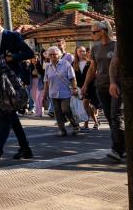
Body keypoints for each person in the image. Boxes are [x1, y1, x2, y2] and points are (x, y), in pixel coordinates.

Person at [0, 11, 33, 165]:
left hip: (11, 81)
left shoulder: (13, 36)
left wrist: (13, 57)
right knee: (11, 117)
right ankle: (25, 148)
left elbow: (29, 53)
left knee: (6, 114)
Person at [82, 20, 124, 162]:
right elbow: (92, 68)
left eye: (94, 32)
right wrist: (85, 85)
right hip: (101, 87)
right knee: (110, 118)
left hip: (117, 86)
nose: (92, 34)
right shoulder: (95, 47)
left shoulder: (117, 45)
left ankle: (117, 150)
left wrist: (115, 82)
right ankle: (122, 147)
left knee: (115, 116)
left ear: (103, 31)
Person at [43, 46, 80, 136]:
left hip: (65, 92)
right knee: (57, 112)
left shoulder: (66, 64)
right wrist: (45, 93)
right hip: (53, 93)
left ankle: (75, 125)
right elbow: (46, 81)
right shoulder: (48, 66)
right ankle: (62, 129)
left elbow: (73, 78)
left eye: (54, 54)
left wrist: (74, 88)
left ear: (59, 55)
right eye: (50, 54)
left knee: (66, 109)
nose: (52, 56)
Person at [73, 46, 98, 130]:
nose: (82, 53)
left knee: (85, 104)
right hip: (79, 87)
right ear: (76, 52)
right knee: (87, 106)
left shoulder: (90, 62)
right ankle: (96, 122)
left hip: (90, 86)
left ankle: (86, 124)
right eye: (80, 51)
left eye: (83, 51)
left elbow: (94, 74)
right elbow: (72, 77)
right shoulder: (73, 64)